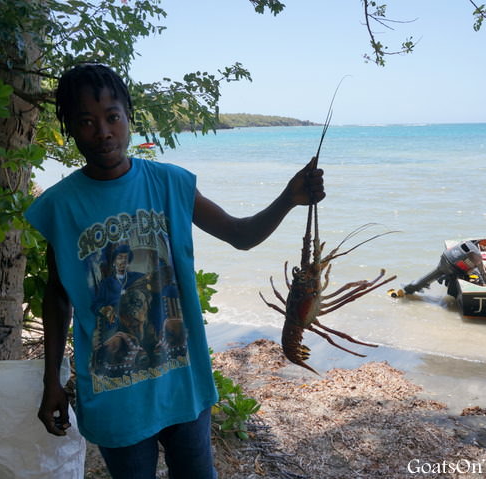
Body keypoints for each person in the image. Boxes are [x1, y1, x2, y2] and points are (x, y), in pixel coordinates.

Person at [24, 63, 325, 479]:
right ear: (71, 129)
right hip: (115, 396)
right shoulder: (60, 205)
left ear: (128, 117)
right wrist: (52, 380)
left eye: (112, 117)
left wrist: (288, 198)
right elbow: (57, 296)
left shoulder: (170, 183)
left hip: (182, 383)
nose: (103, 132)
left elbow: (240, 235)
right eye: (86, 122)